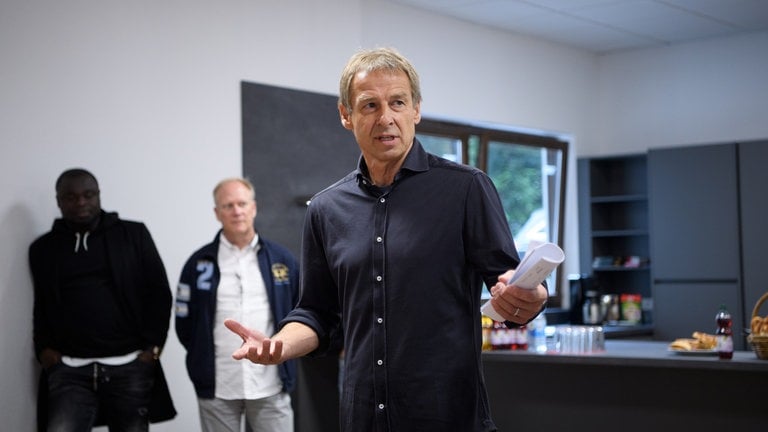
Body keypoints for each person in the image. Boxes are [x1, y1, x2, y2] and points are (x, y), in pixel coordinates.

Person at [224, 47, 549, 432]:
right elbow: (316, 312)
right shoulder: (326, 208)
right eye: (370, 105)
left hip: (448, 417)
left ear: (416, 110)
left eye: (398, 102)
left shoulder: (465, 189)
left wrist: (531, 296)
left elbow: (514, 287)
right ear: (346, 115)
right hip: (363, 417)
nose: (386, 118)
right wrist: (279, 346)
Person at [29, 168, 176, 432]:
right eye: (71, 197)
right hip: (69, 369)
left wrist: (153, 347)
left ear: (99, 195)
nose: (81, 202)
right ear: (58, 200)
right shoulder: (44, 248)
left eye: (88, 195)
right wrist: (43, 349)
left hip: (129, 364)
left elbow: (159, 292)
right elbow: (42, 303)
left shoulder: (133, 235)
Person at [175, 177, 299, 432]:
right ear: (216, 213)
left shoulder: (282, 260)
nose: (236, 211)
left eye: (242, 203)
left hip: (271, 383)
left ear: (253, 207)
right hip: (218, 387)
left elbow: (300, 314)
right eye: (228, 205)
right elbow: (184, 324)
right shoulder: (199, 263)